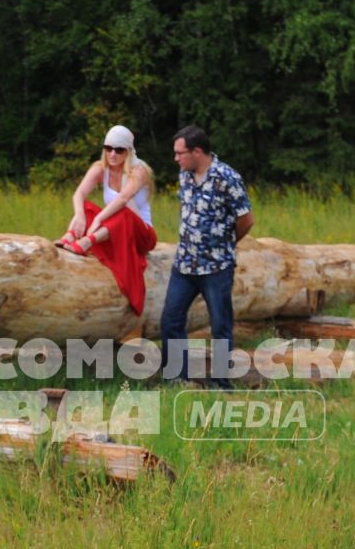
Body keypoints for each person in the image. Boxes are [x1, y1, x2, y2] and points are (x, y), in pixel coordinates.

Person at [160, 125, 253, 389]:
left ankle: (221, 383)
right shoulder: (185, 175)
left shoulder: (227, 177)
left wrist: (225, 242)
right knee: (171, 320)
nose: (176, 158)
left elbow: (246, 219)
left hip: (216, 266)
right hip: (185, 264)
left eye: (180, 153)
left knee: (221, 325)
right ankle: (178, 379)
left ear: (197, 151)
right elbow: (185, 206)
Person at [56, 123, 159, 314]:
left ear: (128, 151)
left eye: (119, 150)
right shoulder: (100, 168)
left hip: (142, 235)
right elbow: (78, 194)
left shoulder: (139, 171)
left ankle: (88, 241)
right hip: (115, 229)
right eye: (108, 148)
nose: (112, 154)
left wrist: (97, 220)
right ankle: (70, 236)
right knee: (86, 207)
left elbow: (123, 199)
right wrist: (79, 214)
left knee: (123, 212)